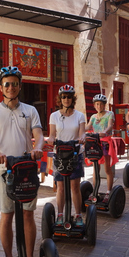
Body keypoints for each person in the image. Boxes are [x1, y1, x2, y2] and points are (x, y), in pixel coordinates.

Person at [0, 66, 44, 257]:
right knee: (7, 215)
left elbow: (39, 134)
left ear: (20, 86)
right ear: (1, 86)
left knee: (28, 215)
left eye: (14, 84)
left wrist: (37, 148)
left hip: (27, 168)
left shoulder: (30, 110)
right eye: (7, 84)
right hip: (4, 171)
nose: (11, 87)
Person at [47, 85, 86, 227]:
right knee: (61, 186)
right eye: (63, 96)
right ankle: (60, 214)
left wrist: (82, 138)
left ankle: (78, 215)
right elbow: (52, 134)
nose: (66, 99)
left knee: (75, 186)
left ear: (73, 99)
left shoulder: (79, 116)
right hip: (60, 154)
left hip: (75, 153)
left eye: (69, 96)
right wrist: (51, 139)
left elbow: (82, 132)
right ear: (60, 98)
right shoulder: (54, 116)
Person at [85, 94, 115, 202]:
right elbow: (88, 127)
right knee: (95, 168)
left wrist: (104, 132)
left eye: (101, 104)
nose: (99, 106)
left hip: (105, 143)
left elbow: (110, 126)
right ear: (94, 105)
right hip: (95, 143)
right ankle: (95, 191)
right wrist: (79, 128)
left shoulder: (109, 114)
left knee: (107, 168)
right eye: (97, 104)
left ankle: (108, 192)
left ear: (104, 105)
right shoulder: (93, 117)